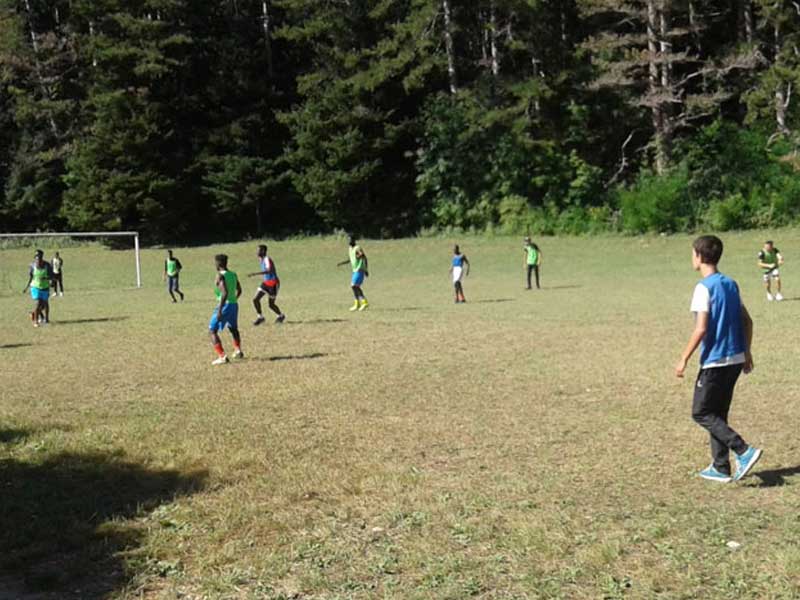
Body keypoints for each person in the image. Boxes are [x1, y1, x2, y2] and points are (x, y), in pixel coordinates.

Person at [675, 235, 762, 483]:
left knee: (701, 412)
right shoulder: (731, 283)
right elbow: (748, 320)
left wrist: (683, 358)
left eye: (692, 253)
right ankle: (721, 467)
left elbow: (701, 328)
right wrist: (747, 352)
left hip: (715, 360)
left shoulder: (704, 287)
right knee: (718, 413)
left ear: (699, 257)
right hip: (735, 358)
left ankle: (744, 451)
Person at [209, 254, 243, 365]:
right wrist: (233, 300)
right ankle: (238, 350)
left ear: (218, 264)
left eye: (215, 263)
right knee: (233, 328)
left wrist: (220, 310)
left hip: (224, 305)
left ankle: (222, 356)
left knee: (212, 330)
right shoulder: (233, 274)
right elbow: (239, 290)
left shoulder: (219, 276)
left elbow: (224, 293)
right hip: (234, 305)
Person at [248, 244, 285, 325]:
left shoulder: (267, 259)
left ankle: (281, 315)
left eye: (258, 250)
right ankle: (260, 317)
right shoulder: (261, 259)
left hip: (273, 283)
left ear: (263, 251)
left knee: (271, 305)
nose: (256, 252)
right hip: (265, 283)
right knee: (255, 299)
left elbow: (269, 270)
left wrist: (255, 274)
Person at [337, 236, 369, 311]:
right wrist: (342, 263)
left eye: (351, 240)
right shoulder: (350, 249)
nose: (349, 241)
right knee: (354, 287)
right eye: (348, 240)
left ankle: (364, 302)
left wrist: (366, 269)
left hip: (359, 269)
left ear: (354, 240)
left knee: (354, 286)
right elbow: (351, 259)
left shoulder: (357, 248)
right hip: (355, 270)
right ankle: (357, 304)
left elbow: (363, 256)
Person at [23, 250, 52, 326]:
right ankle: (36, 321)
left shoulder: (47, 265)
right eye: (36, 257)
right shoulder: (32, 266)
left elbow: (52, 276)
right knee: (38, 303)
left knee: (45, 304)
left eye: (39, 257)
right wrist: (27, 287)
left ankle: (45, 319)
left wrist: (46, 279)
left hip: (45, 287)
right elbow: (31, 277)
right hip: (35, 287)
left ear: (42, 257)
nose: (37, 259)